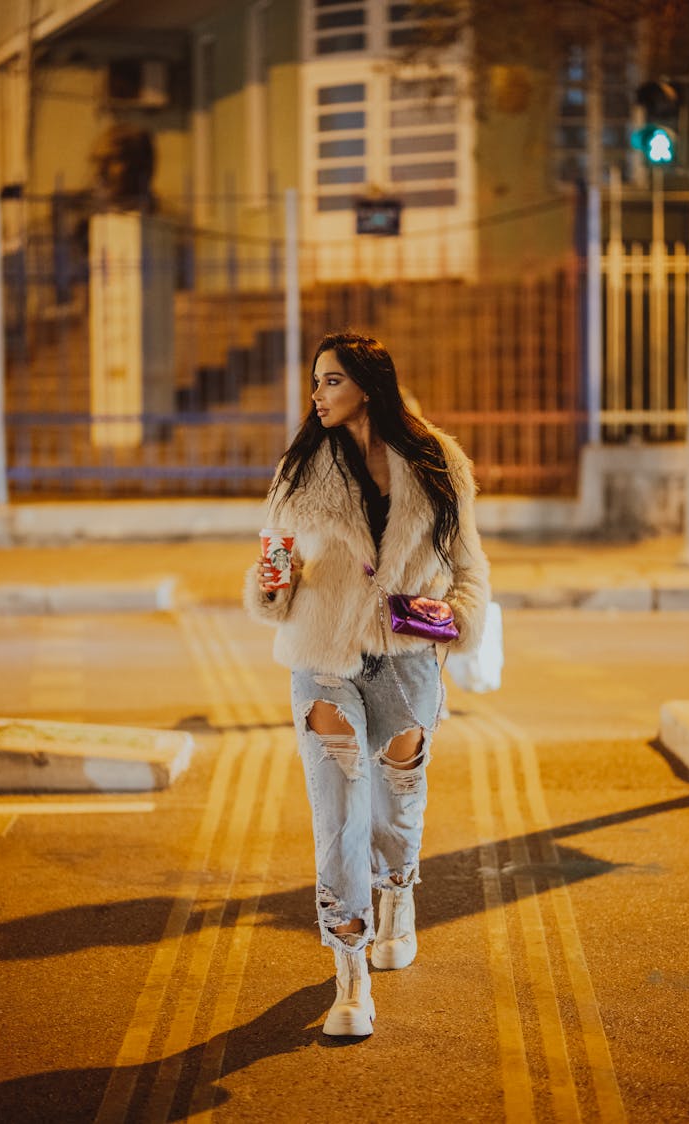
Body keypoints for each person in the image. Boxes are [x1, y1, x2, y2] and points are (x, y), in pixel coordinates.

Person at [245, 331, 490, 1037]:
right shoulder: (301, 469)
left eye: (329, 381)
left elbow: (469, 565)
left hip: (410, 658)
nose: (317, 394)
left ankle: (397, 897)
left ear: (366, 384)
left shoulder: (436, 461)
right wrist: (273, 585)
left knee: (396, 805)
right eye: (316, 382)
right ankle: (349, 972)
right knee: (341, 816)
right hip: (323, 656)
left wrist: (459, 618)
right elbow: (270, 560)